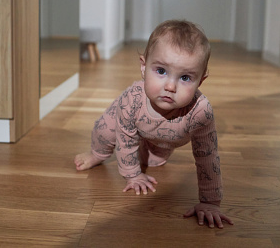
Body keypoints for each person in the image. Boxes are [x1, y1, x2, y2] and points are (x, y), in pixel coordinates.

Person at [74, 20, 233, 228]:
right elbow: (125, 140)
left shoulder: (200, 113)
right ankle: (97, 152)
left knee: (153, 162)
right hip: (127, 122)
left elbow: (207, 157)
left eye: (185, 77)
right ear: (143, 67)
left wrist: (210, 202)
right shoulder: (131, 100)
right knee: (105, 131)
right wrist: (132, 175)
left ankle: (148, 148)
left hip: (164, 138)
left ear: (200, 81)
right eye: (161, 71)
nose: (170, 86)